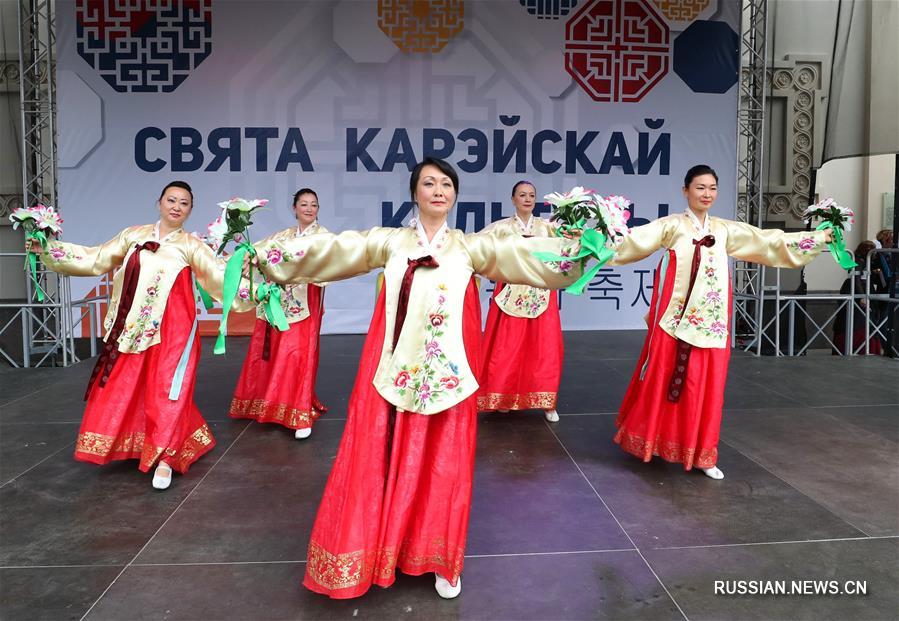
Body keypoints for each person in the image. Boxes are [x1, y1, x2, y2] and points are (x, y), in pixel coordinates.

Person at [253, 158, 581, 599]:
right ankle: (370, 552)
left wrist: (585, 249)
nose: (439, 190)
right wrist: (260, 257)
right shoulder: (389, 242)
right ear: (415, 193)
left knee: (443, 465)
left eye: (446, 184)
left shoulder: (470, 247)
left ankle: (440, 558)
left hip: (448, 377)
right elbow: (331, 251)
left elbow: (527, 259)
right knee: (379, 458)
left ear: (455, 195)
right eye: (429, 183)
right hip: (390, 371)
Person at [609, 165, 832, 480]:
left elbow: (770, 242)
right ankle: (654, 442)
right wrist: (590, 239)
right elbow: (631, 242)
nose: (707, 194)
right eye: (700, 187)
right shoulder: (672, 226)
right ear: (685, 190)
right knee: (663, 381)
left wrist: (819, 237)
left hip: (710, 325)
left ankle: (702, 453)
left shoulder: (726, 230)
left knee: (706, 388)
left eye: (712, 188)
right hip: (673, 322)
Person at [27, 181, 252, 490]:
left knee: (168, 389)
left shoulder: (191, 245)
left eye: (184, 203)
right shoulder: (133, 235)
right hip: (133, 326)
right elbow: (95, 259)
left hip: (175, 329)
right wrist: (50, 249)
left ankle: (165, 457)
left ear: (190, 210)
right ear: (159, 202)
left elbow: (220, 277)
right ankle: (138, 442)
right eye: (171, 200)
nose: (176, 206)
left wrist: (251, 267)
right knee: (126, 385)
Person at [229, 189, 329, 439]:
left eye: (313, 205)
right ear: (294, 208)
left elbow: (330, 263)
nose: (308, 208)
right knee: (275, 351)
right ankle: (270, 403)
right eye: (303, 204)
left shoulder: (325, 237)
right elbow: (259, 253)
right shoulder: (282, 236)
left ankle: (299, 411)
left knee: (299, 354)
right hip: (278, 300)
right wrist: (246, 254)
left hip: (305, 300)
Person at [477, 181, 564, 422]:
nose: (527, 199)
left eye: (531, 195)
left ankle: (547, 402)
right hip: (510, 293)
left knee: (543, 349)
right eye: (522, 195)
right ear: (513, 199)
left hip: (541, 292)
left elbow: (569, 246)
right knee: (506, 348)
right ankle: (502, 397)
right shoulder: (501, 227)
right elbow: (476, 247)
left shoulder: (548, 227)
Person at [832, 241, 883, 355]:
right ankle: (858, 348)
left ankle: (862, 348)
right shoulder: (858, 260)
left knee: (864, 318)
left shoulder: (863, 261)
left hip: (862, 289)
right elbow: (857, 279)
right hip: (858, 291)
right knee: (859, 319)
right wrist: (861, 296)